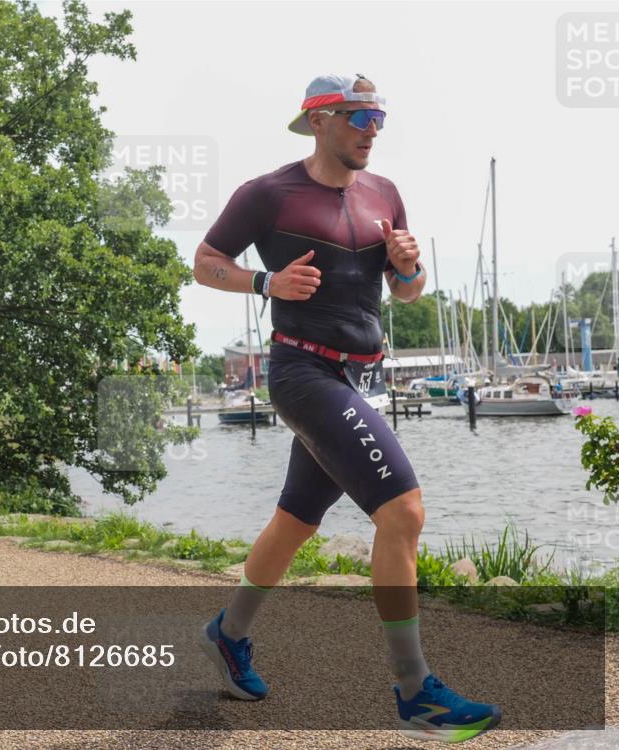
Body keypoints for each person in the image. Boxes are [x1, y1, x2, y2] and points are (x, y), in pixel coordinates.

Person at [195, 74, 500, 744]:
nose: (373, 129)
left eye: (380, 117)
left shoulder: (385, 194)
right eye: (361, 116)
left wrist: (410, 266)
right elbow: (204, 261)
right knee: (404, 511)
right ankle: (415, 690)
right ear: (321, 119)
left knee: (296, 522)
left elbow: (408, 293)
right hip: (302, 372)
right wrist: (264, 281)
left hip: (358, 378)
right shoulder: (269, 193)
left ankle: (229, 630)